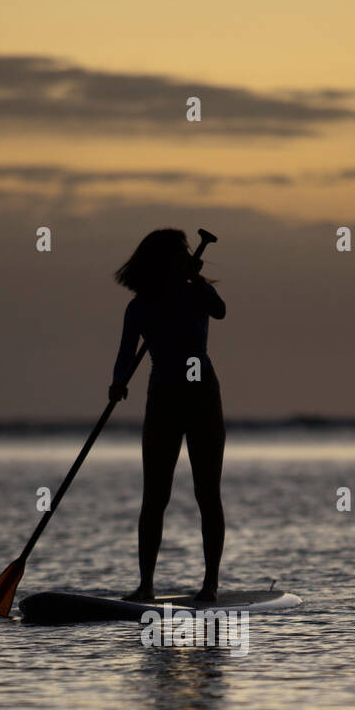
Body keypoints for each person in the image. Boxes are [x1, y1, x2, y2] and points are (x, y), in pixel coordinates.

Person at [109, 228, 226, 603]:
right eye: (180, 253)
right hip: (163, 397)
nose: (185, 256)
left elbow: (221, 310)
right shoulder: (141, 306)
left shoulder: (195, 292)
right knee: (154, 495)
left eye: (187, 253)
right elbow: (127, 351)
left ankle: (210, 585)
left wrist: (193, 279)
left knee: (207, 492)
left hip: (201, 392)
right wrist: (118, 382)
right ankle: (146, 584)